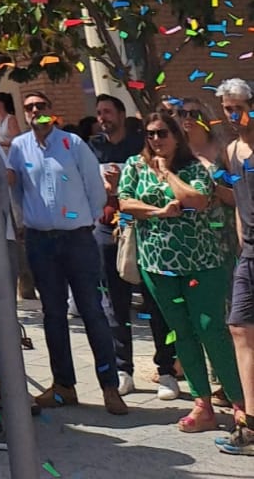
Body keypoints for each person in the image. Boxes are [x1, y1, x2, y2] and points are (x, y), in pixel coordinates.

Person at [118, 107, 241, 434]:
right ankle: (202, 404)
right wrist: (159, 211)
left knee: (210, 329)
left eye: (163, 133)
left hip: (203, 262)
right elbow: (125, 202)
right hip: (157, 264)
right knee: (181, 332)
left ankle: (240, 402)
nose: (156, 139)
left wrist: (167, 174)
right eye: (150, 134)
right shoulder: (135, 165)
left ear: (176, 136)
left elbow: (197, 200)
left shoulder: (194, 166)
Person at [7, 90, 127, 415]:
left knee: (92, 312)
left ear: (51, 109)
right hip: (40, 242)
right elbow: (17, 189)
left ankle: (110, 387)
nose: (35, 111)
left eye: (41, 106)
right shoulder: (18, 147)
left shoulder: (72, 143)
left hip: (77, 240)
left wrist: (85, 221)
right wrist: (29, 220)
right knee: (53, 314)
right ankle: (63, 386)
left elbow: (94, 188)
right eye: (30, 107)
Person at [88, 93, 179, 401]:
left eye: (108, 112)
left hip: (144, 231)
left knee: (156, 303)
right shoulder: (92, 147)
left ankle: (166, 370)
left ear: (120, 114)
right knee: (115, 304)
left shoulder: (141, 145)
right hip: (107, 231)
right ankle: (122, 369)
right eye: (99, 113)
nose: (103, 118)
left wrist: (119, 190)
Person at [214, 78, 254, 455]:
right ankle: (250, 425)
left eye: (238, 107)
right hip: (249, 254)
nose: (232, 114)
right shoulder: (231, 149)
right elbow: (239, 199)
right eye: (227, 108)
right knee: (239, 328)